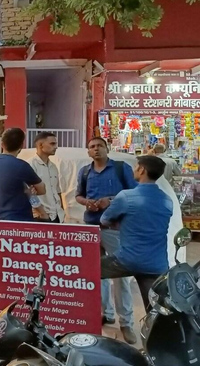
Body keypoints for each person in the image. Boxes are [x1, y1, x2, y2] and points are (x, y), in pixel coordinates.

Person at [75, 136, 138, 344]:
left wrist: (110, 201)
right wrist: (87, 202)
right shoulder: (85, 172)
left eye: (99, 146)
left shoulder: (121, 168)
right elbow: (78, 195)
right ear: (88, 151)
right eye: (92, 147)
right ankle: (106, 313)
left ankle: (126, 322)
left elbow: (134, 194)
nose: (96, 149)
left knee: (121, 277)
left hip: (115, 229)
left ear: (107, 148)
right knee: (97, 274)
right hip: (91, 228)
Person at [100, 155, 173, 314]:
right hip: (157, 264)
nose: (134, 170)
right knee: (154, 311)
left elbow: (104, 220)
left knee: (85, 271)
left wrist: (121, 222)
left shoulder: (126, 196)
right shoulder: (167, 200)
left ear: (142, 170)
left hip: (127, 260)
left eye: (136, 167)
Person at [0, 128, 47, 221]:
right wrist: (31, 190)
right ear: (21, 146)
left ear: (2, 144)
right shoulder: (21, 166)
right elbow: (42, 189)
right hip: (20, 220)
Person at [27, 132, 64, 222]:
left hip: (57, 216)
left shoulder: (53, 167)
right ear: (40, 145)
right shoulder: (30, 165)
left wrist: (62, 210)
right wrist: (42, 213)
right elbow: (28, 192)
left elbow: (57, 191)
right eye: (52, 144)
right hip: (41, 216)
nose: (56, 147)